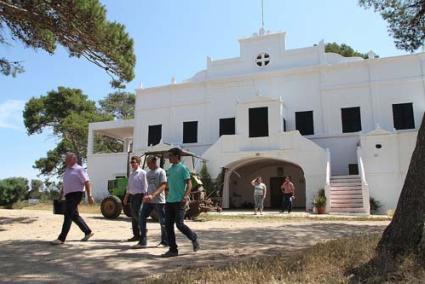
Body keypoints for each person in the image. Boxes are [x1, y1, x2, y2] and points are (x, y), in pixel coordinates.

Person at [162, 147, 200, 257]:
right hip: (169, 202)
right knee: (168, 226)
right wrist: (166, 192)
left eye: (170, 156)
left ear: (176, 156)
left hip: (180, 201)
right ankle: (173, 250)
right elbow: (169, 184)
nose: (168, 158)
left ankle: (194, 237)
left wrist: (186, 196)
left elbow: (189, 184)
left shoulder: (183, 168)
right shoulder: (169, 170)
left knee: (179, 224)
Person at [51, 152, 94, 245]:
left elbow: (87, 182)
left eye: (67, 159)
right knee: (74, 215)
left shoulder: (79, 169)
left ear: (73, 159)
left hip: (76, 194)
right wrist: (61, 195)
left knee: (68, 214)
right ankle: (87, 232)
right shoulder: (67, 170)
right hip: (68, 195)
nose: (65, 160)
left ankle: (61, 238)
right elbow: (65, 183)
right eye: (65, 159)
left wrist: (89, 195)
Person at [133, 155, 168, 248]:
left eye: (149, 163)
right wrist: (146, 196)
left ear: (153, 162)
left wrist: (153, 195)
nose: (148, 165)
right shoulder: (148, 174)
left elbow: (163, 185)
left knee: (162, 221)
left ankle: (165, 242)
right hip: (148, 201)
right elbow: (147, 187)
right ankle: (143, 241)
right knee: (141, 217)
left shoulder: (161, 172)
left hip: (159, 201)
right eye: (147, 163)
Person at [123, 156, 148, 241]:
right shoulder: (131, 173)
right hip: (132, 196)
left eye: (134, 162)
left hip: (139, 196)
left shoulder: (143, 173)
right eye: (131, 162)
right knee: (133, 215)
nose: (132, 164)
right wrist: (126, 197)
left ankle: (143, 229)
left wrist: (145, 197)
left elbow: (145, 186)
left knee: (137, 214)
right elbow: (129, 186)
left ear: (138, 163)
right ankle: (136, 235)